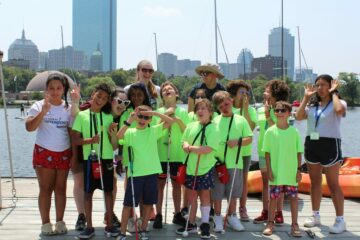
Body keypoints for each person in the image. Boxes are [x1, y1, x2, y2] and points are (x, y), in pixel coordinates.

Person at [295, 74, 347, 234]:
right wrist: (305, 98)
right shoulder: (313, 105)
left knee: (333, 184)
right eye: (318, 85)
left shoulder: (338, 102)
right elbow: (298, 116)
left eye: (324, 85)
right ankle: (315, 215)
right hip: (312, 144)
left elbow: (340, 112)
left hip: (330, 145)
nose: (320, 88)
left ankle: (340, 220)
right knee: (315, 182)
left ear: (331, 86)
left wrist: (334, 93)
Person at [116, 105, 174, 240]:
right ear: (136, 117)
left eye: (146, 117)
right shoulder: (130, 132)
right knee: (128, 204)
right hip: (135, 174)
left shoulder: (153, 131)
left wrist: (153, 112)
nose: (142, 119)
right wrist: (130, 120)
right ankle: (122, 232)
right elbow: (119, 136)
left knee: (148, 203)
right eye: (140, 116)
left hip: (151, 173)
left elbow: (170, 122)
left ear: (150, 119)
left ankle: (143, 230)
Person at [25, 73, 73, 235]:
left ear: (63, 89)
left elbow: (71, 132)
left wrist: (73, 155)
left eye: (58, 88)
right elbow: (30, 127)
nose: (55, 91)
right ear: (46, 89)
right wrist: (43, 112)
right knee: (45, 189)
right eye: (51, 88)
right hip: (44, 151)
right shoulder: (38, 106)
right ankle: (45, 224)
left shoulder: (68, 107)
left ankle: (60, 222)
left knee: (61, 189)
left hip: (64, 152)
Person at [72, 83, 119, 239]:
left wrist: (113, 133)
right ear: (93, 94)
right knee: (88, 193)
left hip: (106, 159)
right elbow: (75, 140)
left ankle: (110, 226)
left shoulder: (108, 117)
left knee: (108, 192)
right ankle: (89, 227)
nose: (101, 100)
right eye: (99, 96)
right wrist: (90, 140)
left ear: (107, 102)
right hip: (89, 160)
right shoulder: (81, 115)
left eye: (105, 98)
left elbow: (114, 146)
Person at [176, 99, 219, 239]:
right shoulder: (191, 125)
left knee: (205, 195)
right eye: (198, 109)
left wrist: (191, 148)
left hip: (205, 168)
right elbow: (184, 141)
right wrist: (186, 145)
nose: (200, 111)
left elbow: (208, 149)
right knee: (191, 196)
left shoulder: (214, 128)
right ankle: (192, 223)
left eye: (204, 109)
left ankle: (205, 224)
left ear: (210, 112)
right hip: (191, 167)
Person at [211, 91, 253, 233]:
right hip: (217, 164)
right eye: (221, 105)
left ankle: (232, 216)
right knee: (217, 192)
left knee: (233, 193)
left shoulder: (241, 119)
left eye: (227, 103)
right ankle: (217, 217)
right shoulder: (214, 120)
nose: (225, 107)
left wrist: (237, 141)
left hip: (235, 163)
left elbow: (250, 138)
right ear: (217, 107)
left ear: (232, 101)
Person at [262, 101, 303, 237]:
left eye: (282, 111)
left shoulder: (294, 132)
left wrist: (298, 170)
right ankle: (270, 223)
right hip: (276, 172)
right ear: (274, 113)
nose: (279, 113)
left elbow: (299, 153)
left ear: (289, 114)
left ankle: (295, 224)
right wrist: (269, 170)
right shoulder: (269, 131)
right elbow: (266, 153)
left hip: (291, 173)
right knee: (273, 198)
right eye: (277, 110)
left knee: (293, 198)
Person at [254, 79, 290, 224]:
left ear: (275, 93)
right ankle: (266, 211)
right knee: (265, 183)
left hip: (278, 152)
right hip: (263, 150)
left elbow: (279, 128)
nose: (264, 93)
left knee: (278, 183)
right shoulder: (260, 109)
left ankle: (278, 212)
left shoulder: (282, 110)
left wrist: (269, 116)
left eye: (268, 91)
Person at [153, 81, 188, 229]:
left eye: (170, 89)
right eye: (164, 90)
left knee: (177, 185)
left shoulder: (184, 112)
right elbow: (154, 132)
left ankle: (177, 213)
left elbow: (187, 131)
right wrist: (164, 117)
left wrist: (177, 120)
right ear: (162, 96)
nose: (167, 91)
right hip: (161, 153)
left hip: (177, 154)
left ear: (176, 94)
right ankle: (159, 214)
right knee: (159, 185)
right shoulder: (158, 111)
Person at [226, 80, 257, 221]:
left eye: (246, 92)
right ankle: (228, 209)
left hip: (244, 151)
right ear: (234, 94)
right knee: (228, 179)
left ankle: (242, 208)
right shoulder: (228, 108)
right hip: (229, 151)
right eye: (241, 92)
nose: (244, 95)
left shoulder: (250, 110)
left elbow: (250, 128)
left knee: (243, 181)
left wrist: (245, 109)